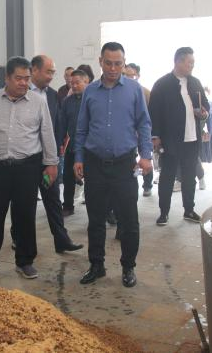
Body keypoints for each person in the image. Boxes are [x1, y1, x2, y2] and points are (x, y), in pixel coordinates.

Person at [0, 56, 59, 280]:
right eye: (18, 78)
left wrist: (51, 163)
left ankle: (25, 261)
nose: (23, 83)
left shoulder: (38, 102)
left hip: (27, 167)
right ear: (7, 78)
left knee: (25, 216)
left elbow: (47, 133)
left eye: (27, 78)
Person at [73, 42, 153, 288]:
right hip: (95, 164)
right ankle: (96, 265)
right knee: (96, 219)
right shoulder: (90, 91)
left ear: (124, 63)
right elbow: (81, 128)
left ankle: (128, 266)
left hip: (123, 165)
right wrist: (78, 158)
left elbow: (144, 124)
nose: (113, 68)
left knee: (129, 220)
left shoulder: (134, 90)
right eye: (108, 63)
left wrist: (146, 155)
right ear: (100, 61)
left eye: (118, 64)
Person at [27, 55, 83, 253]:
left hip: (48, 160)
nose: (52, 76)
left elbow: (57, 124)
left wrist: (57, 150)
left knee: (53, 200)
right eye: (48, 72)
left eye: (53, 72)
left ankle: (61, 240)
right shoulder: (22, 93)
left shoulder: (52, 95)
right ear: (34, 70)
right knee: (25, 202)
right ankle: (20, 239)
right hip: (26, 159)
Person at [149, 47, 209, 226]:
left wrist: (203, 113)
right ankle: (164, 212)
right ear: (178, 61)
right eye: (189, 62)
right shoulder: (162, 84)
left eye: (193, 63)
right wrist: (155, 136)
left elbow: (205, 106)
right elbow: (154, 112)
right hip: (170, 140)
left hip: (192, 138)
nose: (192, 66)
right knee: (167, 177)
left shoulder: (195, 82)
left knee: (189, 177)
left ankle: (189, 210)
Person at [57, 69, 90, 216]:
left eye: (77, 83)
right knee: (68, 177)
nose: (74, 86)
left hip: (90, 146)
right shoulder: (67, 102)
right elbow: (62, 123)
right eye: (72, 83)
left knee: (93, 179)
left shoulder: (92, 99)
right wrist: (60, 142)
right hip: (73, 145)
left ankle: (98, 208)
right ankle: (68, 206)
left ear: (86, 82)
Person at [124, 63, 154, 197]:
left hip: (142, 132)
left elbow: (150, 115)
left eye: (131, 75)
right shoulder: (121, 91)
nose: (128, 78)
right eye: (125, 75)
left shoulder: (145, 92)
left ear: (138, 76)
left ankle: (147, 184)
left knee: (145, 156)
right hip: (128, 133)